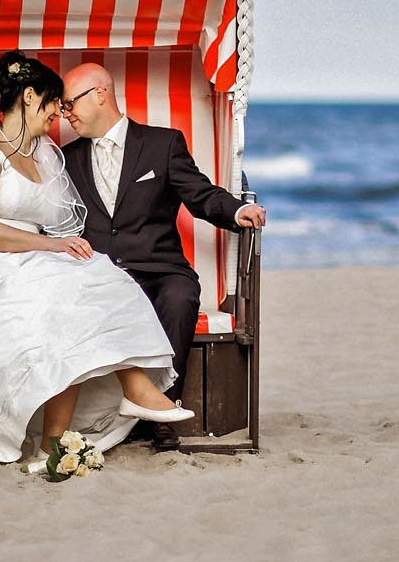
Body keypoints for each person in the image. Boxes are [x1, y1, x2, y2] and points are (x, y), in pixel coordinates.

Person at [0, 51, 194, 467]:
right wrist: (51, 248)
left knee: (96, 278)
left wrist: (66, 247)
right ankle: (129, 393)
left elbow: (63, 222)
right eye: (53, 103)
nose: (59, 115)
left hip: (32, 257)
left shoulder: (44, 153)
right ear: (29, 97)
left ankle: (60, 439)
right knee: (63, 297)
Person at [59, 61, 267, 450]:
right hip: (100, 274)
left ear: (100, 94)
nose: (66, 114)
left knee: (179, 296)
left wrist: (238, 210)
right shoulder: (65, 160)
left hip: (159, 268)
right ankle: (133, 406)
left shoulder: (162, 144)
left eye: (70, 104)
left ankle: (162, 410)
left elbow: (200, 194)